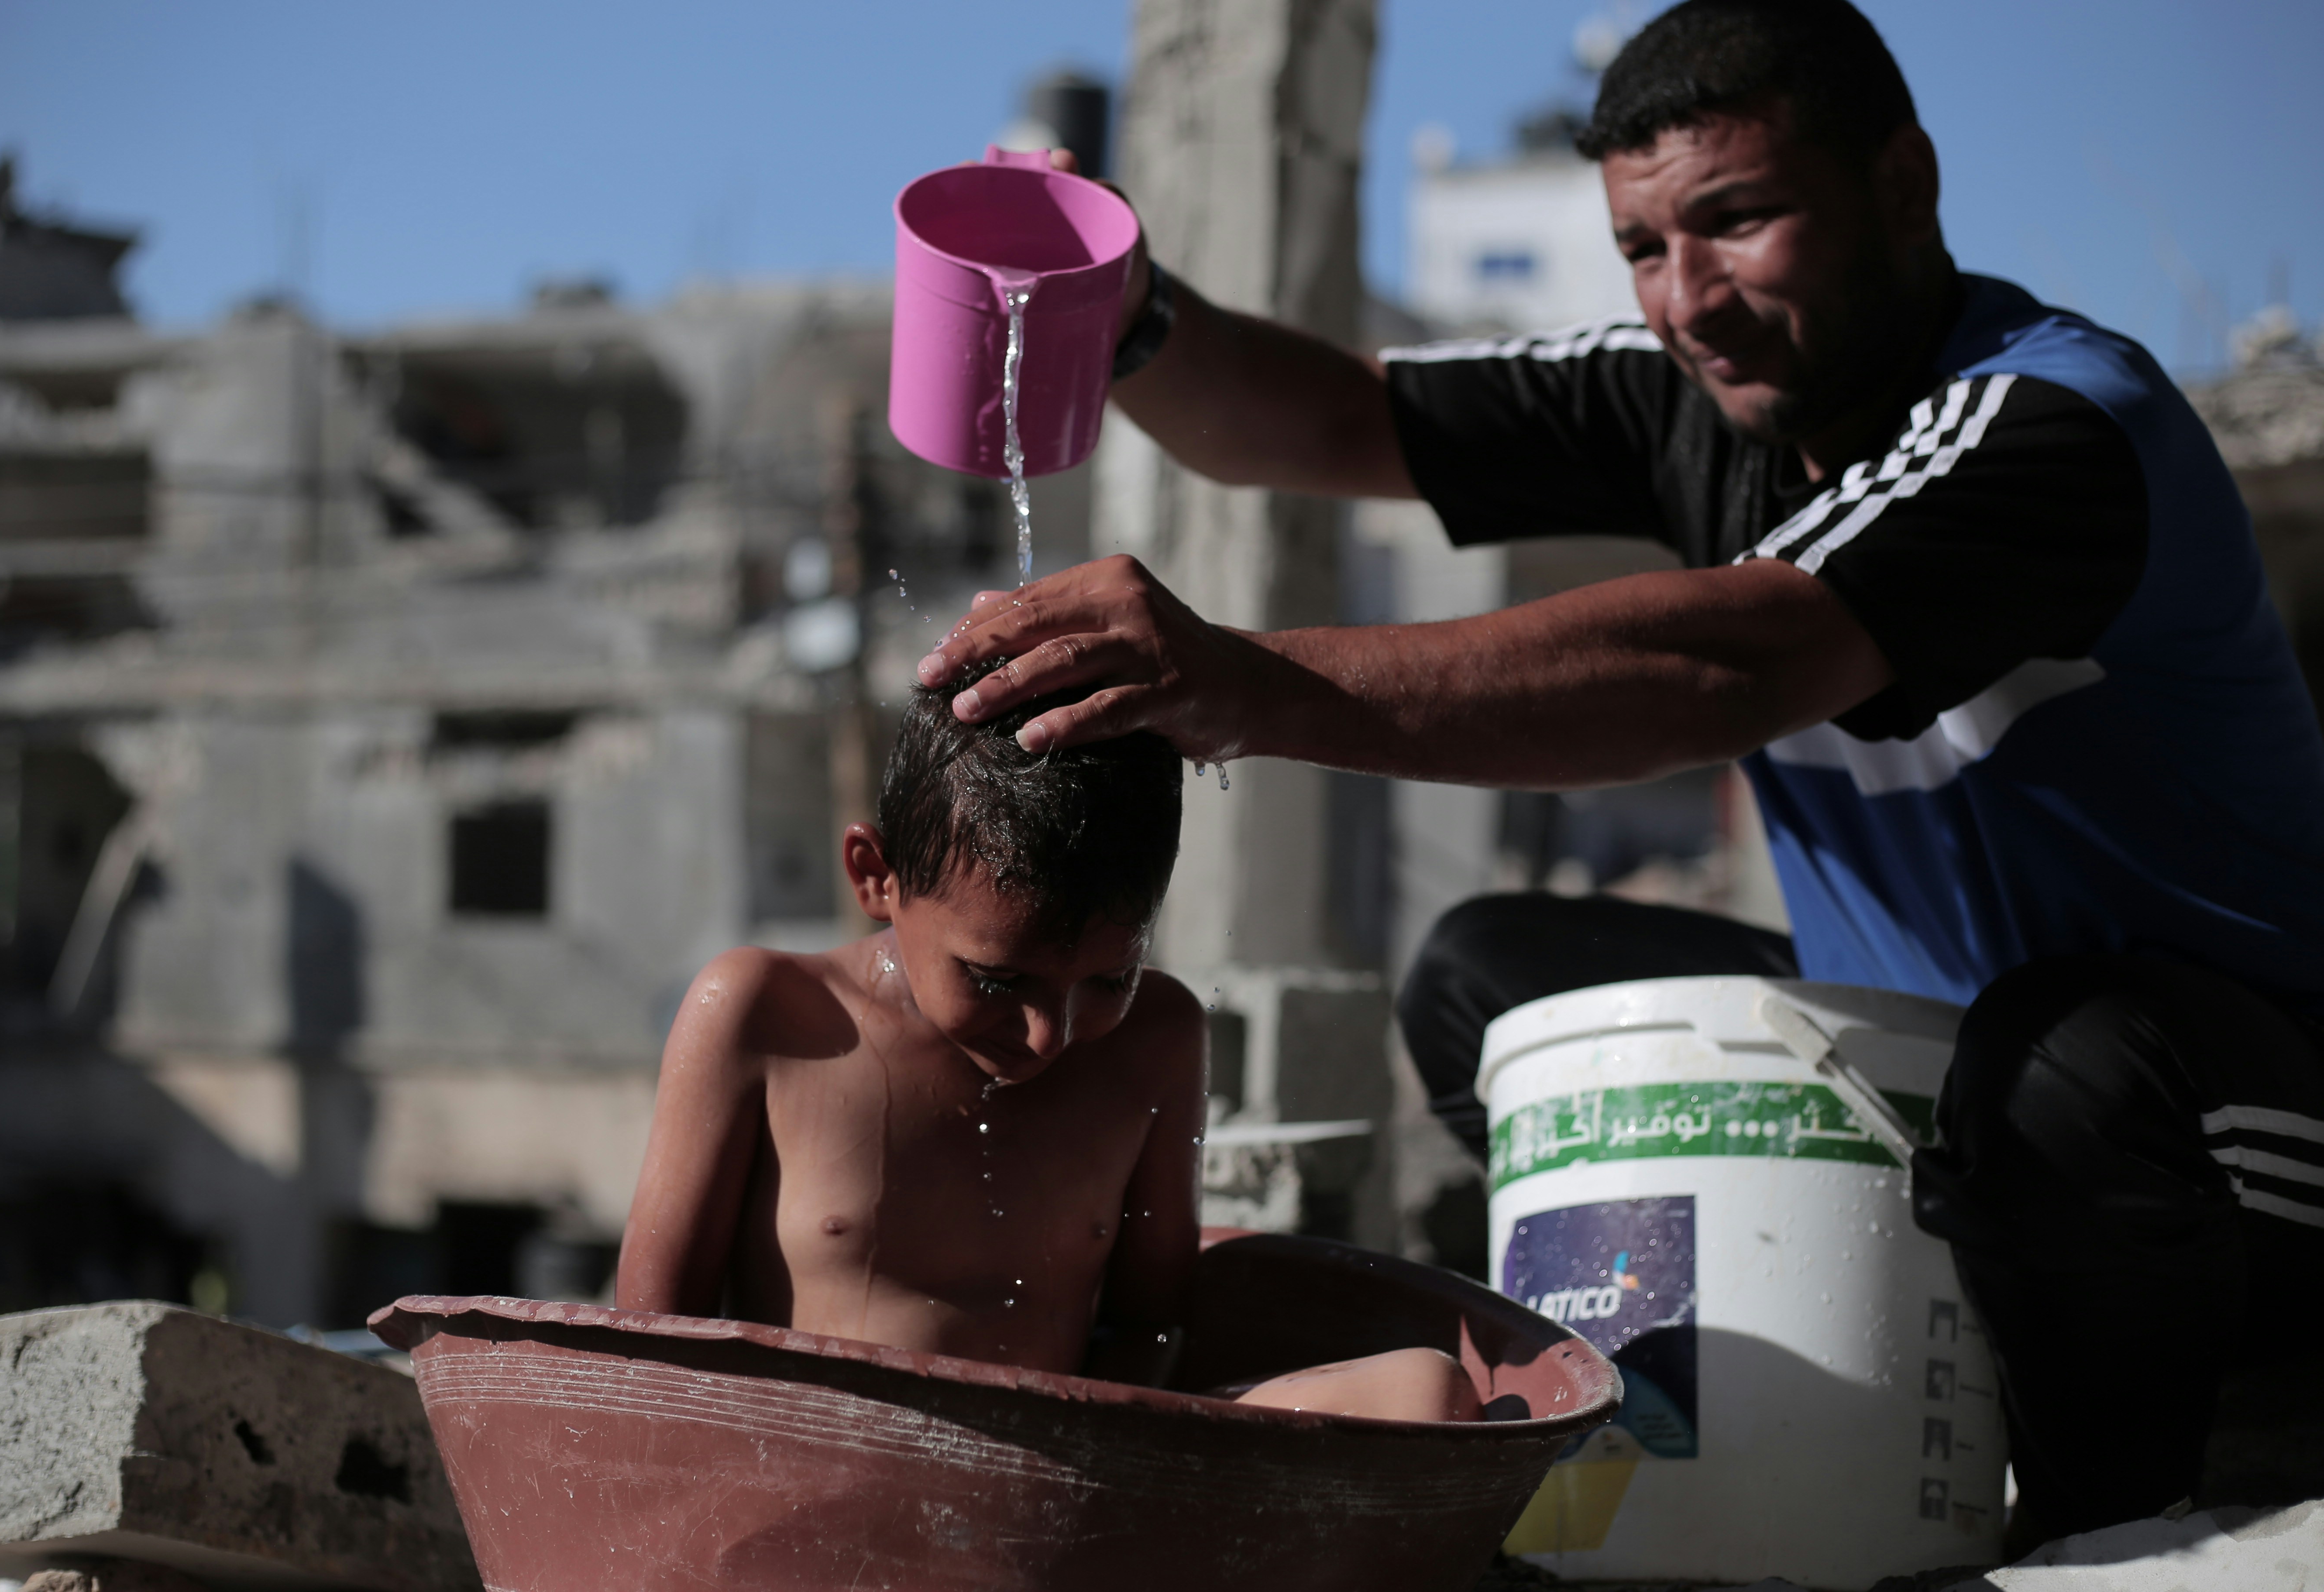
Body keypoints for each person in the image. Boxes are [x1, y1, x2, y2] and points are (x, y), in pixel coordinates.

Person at [918, 0, 2324, 1544]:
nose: (1689, 297)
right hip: (1931, 1081)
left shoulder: (2050, 425)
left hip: (2223, 1120)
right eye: (1645, 247)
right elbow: (1336, 417)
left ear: (1906, 186)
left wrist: (1239, 679)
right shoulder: (1697, 392)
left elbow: (1731, 661)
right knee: (1495, 982)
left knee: (2062, 1059)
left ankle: (2097, 1524)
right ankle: (1726, 1428)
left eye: (1739, 221)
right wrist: (1121, 314)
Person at [615, 660, 1480, 1422]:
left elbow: (1150, 1323)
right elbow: (652, 1348)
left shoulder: (1156, 1037)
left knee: (1426, 1390)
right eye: (997, 981)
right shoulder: (768, 1016)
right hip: (816, 1480)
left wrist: (1076, 1464)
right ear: (876, 875)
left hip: (1067, 1477)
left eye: (1109, 980)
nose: (1049, 1036)